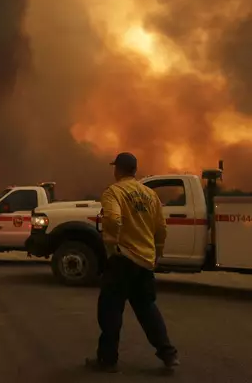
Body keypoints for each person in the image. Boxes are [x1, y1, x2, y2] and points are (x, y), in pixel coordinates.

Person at [86, 152, 179, 373]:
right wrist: (157, 253)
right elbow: (161, 228)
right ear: (135, 171)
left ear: (117, 170)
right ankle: (169, 355)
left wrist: (111, 246)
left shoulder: (114, 192)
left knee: (110, 310)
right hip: (145, 262)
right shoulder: (150, 195)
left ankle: (107, 360)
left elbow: (113, 219)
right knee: (147, 309)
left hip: (123, 259)